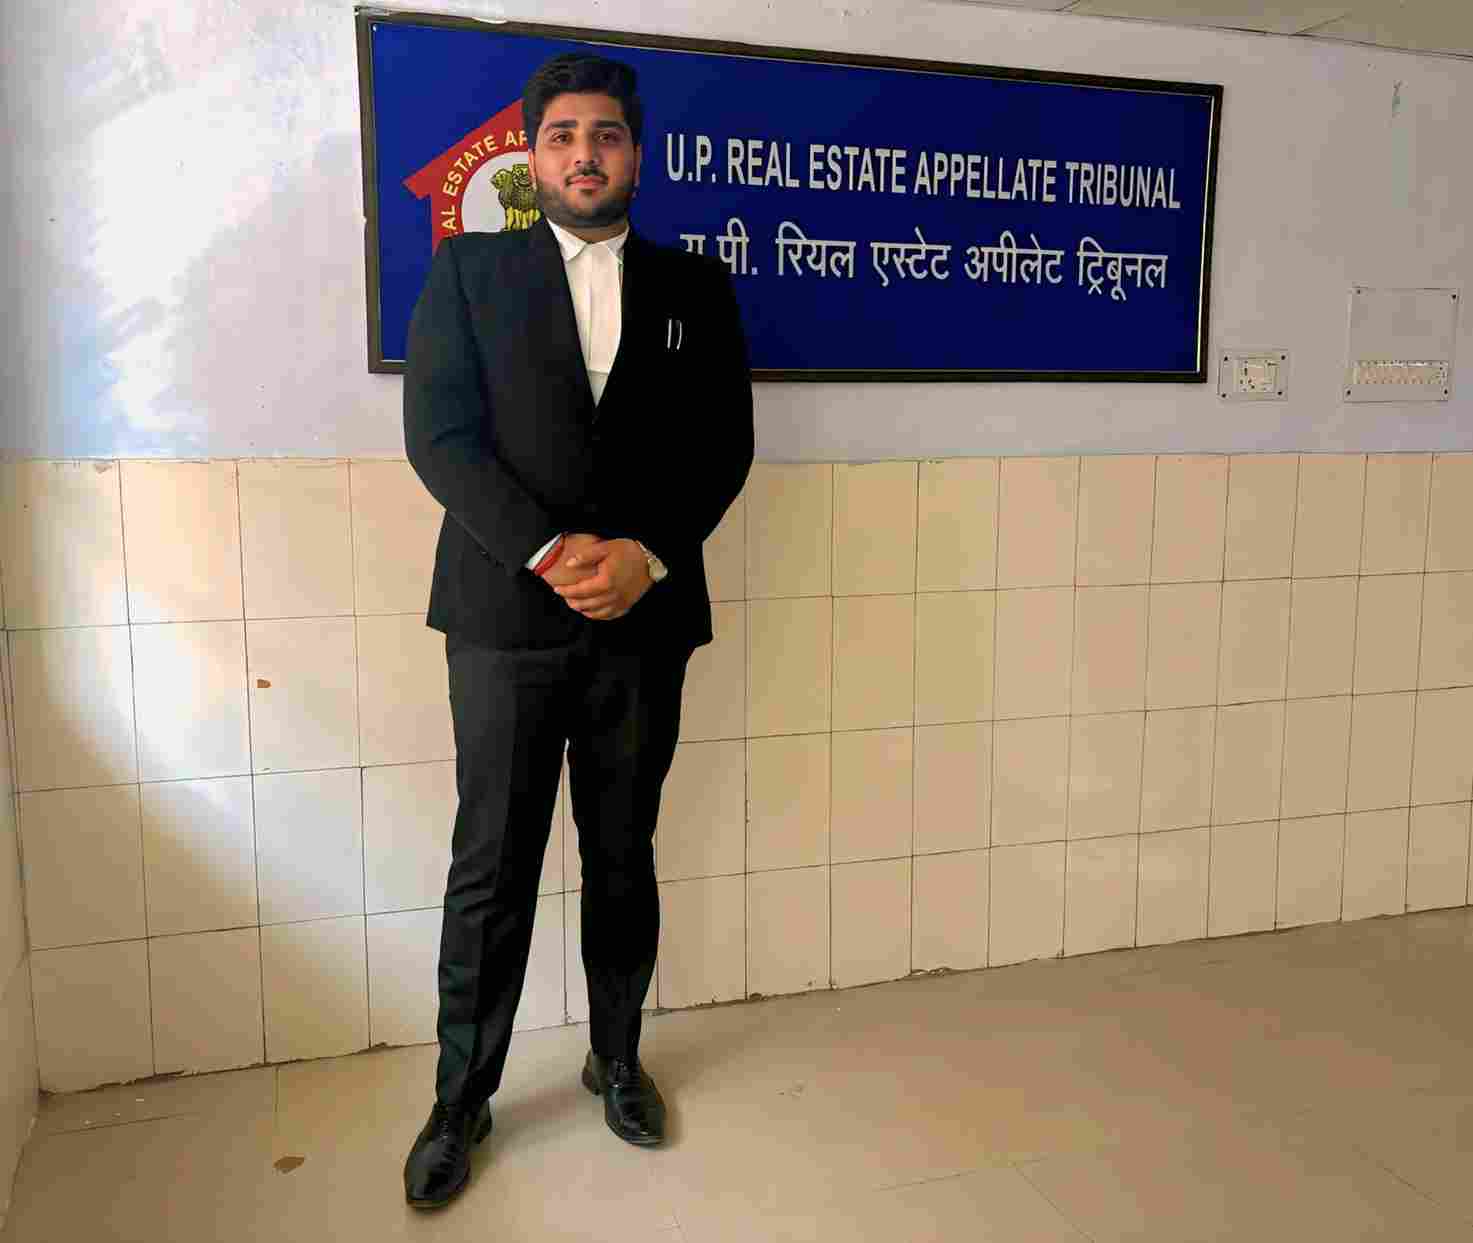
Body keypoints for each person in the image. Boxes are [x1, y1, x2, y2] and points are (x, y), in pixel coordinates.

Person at [399, 51, 754, 1210]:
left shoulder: (697, 287)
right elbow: (439, 436)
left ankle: (617, 1057)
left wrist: (646, 555)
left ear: (636, 154)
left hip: (642, 622)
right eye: (562, 136)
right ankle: (460, 1099)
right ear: (534, 155)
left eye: (605, 134)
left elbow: (723, 447)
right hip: (506, 619)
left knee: (622, 852)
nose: (584, 154)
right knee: (491, 866)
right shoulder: (469, 272)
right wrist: (551, 553)